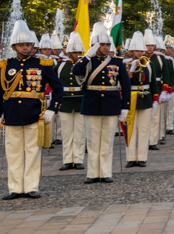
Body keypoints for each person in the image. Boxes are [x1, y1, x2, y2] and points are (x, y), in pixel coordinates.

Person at [0, 21, 62, 198]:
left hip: (34, 114)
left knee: (33, 152)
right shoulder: (5, 66)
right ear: (14, 46)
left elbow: (57, 87)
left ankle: (31, 186)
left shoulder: (42, 63)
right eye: (21, 45)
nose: (25, 48)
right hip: (11, 115)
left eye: (28, 45)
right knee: (13, 154)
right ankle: (15, 188)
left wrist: (52, 109)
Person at [73, 22, 131, 184]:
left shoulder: (117, 62)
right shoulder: (88, 61)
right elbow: (75, 71)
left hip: (112, 105)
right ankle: (92, 173)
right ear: (95, 46)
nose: (106, 47)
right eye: (102, 44)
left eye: (107, 44)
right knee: (92, 141)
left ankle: (105, 172)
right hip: (92, 104)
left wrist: (125, 106)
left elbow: (125, 86)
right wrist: (87, 56)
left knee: (107, 141)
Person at [124, 32, 154, 167]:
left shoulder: (148, 63)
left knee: (144, 128)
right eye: (137, 51)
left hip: (145, 98)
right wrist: (132, 67)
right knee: (130, 128)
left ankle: (142, 157)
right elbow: (124, 82)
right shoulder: (125, 64)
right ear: (132, 51)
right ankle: (131, 157)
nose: (139, 53)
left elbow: (153, 82)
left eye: (141, 51)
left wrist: (155, 98)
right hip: (131, 97)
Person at [57, 32, 86, 171]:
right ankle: (67, 159)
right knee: (67, 133)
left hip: (80, 100)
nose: (77, 54)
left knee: (80, 132)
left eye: (78, 52)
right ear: (69, 53)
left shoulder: (85, 65)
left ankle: (78, 159)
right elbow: (55, 81)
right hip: (66, 101)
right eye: (74, 52)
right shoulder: (61, 65)